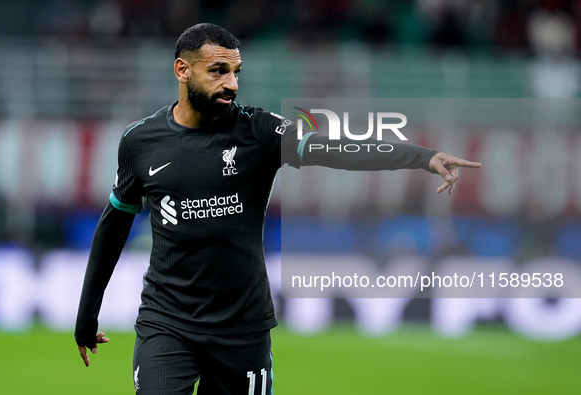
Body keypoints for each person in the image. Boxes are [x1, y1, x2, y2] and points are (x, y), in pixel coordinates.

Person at [75, 23, 481, 394]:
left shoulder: (260, 131)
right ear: (183, 70)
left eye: (236, 72)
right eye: (218, 71)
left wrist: (420, 157)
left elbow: (336, 149)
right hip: (167, 323)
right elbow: (114, 227)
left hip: (243, 328)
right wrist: (87, 315)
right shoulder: (140, 141)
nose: (232, 83)